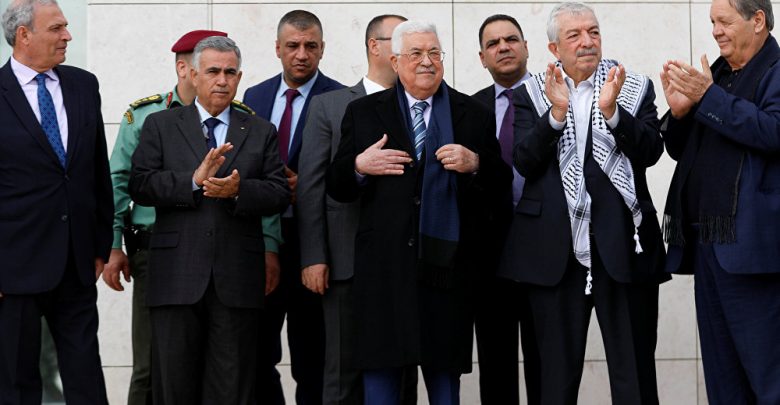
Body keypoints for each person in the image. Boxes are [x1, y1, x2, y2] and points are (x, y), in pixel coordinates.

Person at [326, 20, 512, 405]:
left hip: (447, 273)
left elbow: (500, 184)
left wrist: (476, 163)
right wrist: (359, 165)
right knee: (381, 388)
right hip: (385, 274)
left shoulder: (471, 112)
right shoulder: (364, 112)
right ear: (395, 62)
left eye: (434, 53)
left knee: (444, 389)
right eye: (415, 53)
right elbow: (336, 186)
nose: (427, 61)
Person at [501, 3, 669, 403]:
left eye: (593, 32)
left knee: (635, 377)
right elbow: (524, 160)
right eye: (574, 35)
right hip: (554, 254)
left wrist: (613, 112)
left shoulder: (633, 86)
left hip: (624, 247)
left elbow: (651, 150)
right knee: (555, 383)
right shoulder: (531, 94)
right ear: (554, 48)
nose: (587, 41)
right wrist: (556, 114)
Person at [129, 36, 289, 404]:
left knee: (232, 389)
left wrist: (237, 190)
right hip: (175, 278)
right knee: (174, 388)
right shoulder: (160, 124)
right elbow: (140, 184)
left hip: (236, 281)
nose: (222, 80)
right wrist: (192, 181)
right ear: (194, 75)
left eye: (230, 73)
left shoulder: (260, 130)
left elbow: (279, 192)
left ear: (239, 78)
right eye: (213, 71)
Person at [297, 14, 420, 405]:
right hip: (345, 262)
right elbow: (311, 187)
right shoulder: (329, 105)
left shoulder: (421, 106)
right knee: (343, 370)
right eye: (402, 41)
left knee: (403, 372)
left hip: (404, 264)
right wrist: (314, 256)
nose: (413, 52)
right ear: (375, 46)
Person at [660, 0, 780, 401]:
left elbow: (773, 131)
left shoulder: (775, 70)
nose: (715, 30)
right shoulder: (718, 75)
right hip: (708, 245)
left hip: (755, 251)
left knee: (769, 377)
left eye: (724, 21)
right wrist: (680, 114)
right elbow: (682, 151)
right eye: (712, 21)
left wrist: (708, 98)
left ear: (757, 21)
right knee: (722, 379)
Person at [102, 29, 228, 405]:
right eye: (209, 66)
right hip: (154, 250)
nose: (220, 77)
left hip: (217, 252)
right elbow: (119, 181)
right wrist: (113, 244)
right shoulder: (146, 115)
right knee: (150, 364)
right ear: (185, 68)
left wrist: (269, 246)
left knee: (213, 365)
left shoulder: (237, 118)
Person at [0, 0, 113, 403]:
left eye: (66, 26)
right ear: (23, 35)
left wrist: (101, 244)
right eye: (56, 28)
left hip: (76, 263)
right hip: (12, 269)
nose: (68, 35)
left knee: (86, 380)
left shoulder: (83, 85)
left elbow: (97, 168)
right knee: (17, 384)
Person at [242, 9, 344, 405]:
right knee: (257, 350)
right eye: (293, 46)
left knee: (312, 353)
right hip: (261, 241)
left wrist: (313, 188)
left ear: (322, 49)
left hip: (313, 243)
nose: (302, 54)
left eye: (310, 46)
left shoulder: (341, 99)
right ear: (278, 49)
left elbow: (348, 171)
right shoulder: (254, 96)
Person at [470, 14, 540, 405]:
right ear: (482, 58)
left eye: (511, 39)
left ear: (526, 47)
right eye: (493, 43)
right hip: (490, 256)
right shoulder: (469, 108)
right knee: (495, 365)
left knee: (546, 364)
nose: (503, 47)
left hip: (546, 253)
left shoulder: (554, 97)